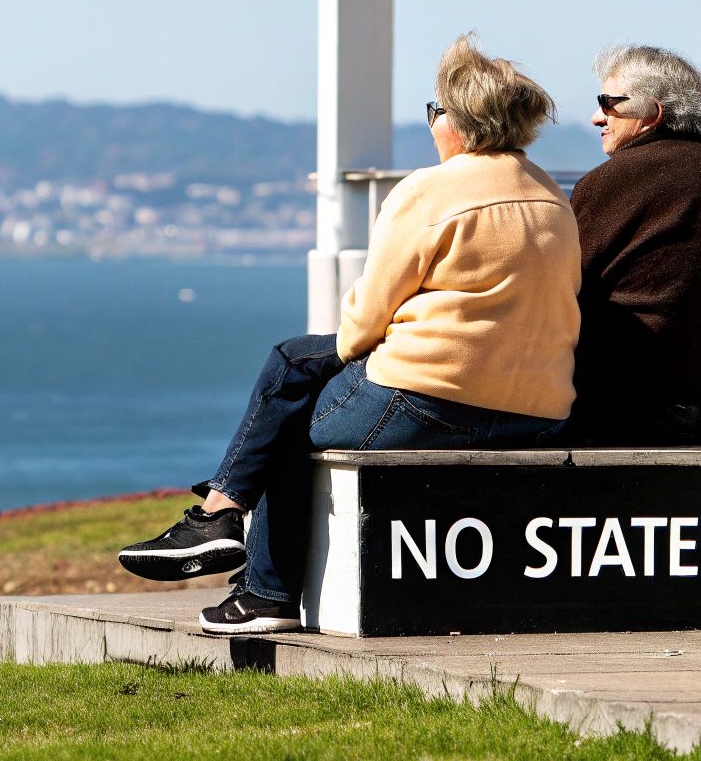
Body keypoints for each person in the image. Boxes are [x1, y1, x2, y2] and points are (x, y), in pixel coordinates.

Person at [117, 34, 582, 633]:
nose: (431, 124)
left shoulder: (429, 191)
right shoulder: (553, 198)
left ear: (460, 124)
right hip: (540, 409)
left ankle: (256, 583)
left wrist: (347, 352)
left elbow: (361, 326)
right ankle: (222, 521)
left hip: (431, 401)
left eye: (434, 111)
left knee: (290, 396)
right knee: (293, 377)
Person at [562, 44, 701, 446]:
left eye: (608, 103)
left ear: (653, 115)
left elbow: (565, 288)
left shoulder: (608, 182)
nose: (597, 117)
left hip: (640, 405)